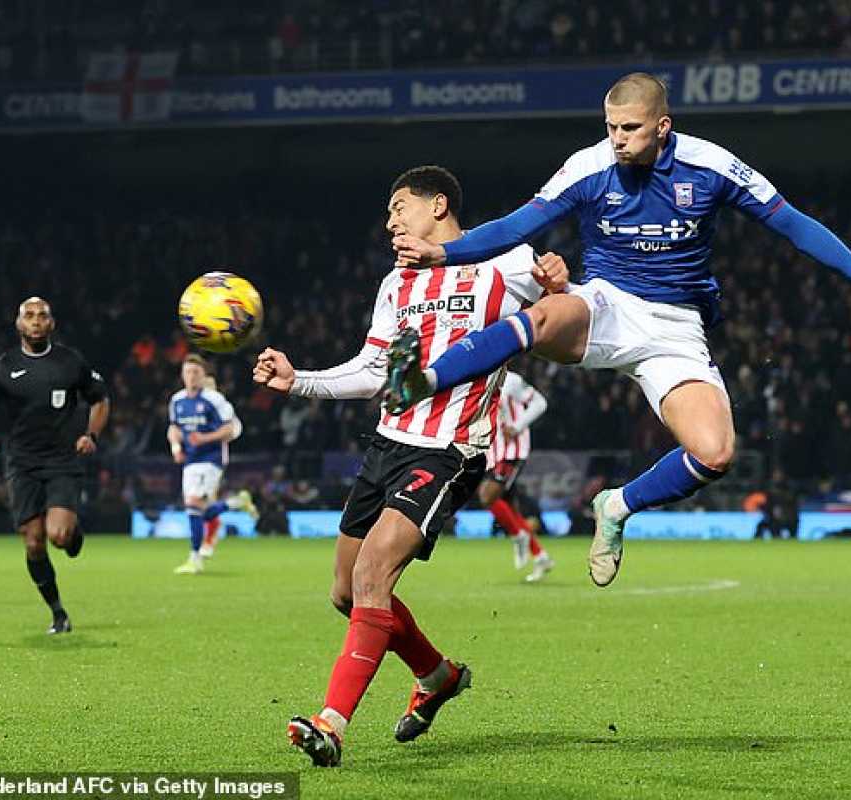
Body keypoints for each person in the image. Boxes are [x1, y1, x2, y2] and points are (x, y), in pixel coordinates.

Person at [386, 71, 851, 587]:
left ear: (662, 126)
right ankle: (422, 381)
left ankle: (617, 506)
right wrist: (444, 253)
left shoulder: (711, 166)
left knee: (715, 453)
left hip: (676, 329)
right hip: (606, 303)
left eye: (630, 128)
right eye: (610, 127)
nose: (618, 139)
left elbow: (792, 224)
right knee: (540, 316)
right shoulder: (588, 165)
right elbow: (517, 225)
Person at [252, 165, 566, 767]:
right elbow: (373, 370)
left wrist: (558, 283)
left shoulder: (505, 263)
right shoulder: (396, 283)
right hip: (387, 445)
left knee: (373, 576)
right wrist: (299, 382)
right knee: (346, 594)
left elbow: (570, 318)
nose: (391, 219)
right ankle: (436, 674)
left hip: (448, 450)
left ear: (438, 206)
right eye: (389, 212)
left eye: (400, 207)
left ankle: (331, 724)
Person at [0, 297, 110, 634]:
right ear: (19, 324)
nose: (35, 321)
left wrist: (91, 434)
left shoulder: (70, 362)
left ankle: (71, 533)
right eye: (28, 316)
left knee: (59, 537)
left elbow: (100, 399)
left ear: (51, 324)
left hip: (62, 460)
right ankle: (58, 613)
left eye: (42, 316)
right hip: (22, 463)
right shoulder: (3, 367)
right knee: (33, 542)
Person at [167, 354, 255, 574]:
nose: (192, 376)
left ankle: (194, 559)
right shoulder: (177, 400)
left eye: (196, 372)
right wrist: (176, 448)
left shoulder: (214, 399)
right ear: (182, 375)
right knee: (198, 511)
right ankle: (236, 502)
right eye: (188, 372)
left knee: (194, 504)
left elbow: (231, 428)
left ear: (204, 375)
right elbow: (174, 429)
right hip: (190, 461)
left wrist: (204, 438)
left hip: (211, 459)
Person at [479, 370, 554, 581]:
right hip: (493, 451)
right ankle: (541, 557)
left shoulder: (511, 380)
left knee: (487, 496)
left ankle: (518, 535)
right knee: (509, 508)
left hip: (512, 451)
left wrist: (517, 426)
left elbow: (540, 403)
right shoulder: (477, 378)